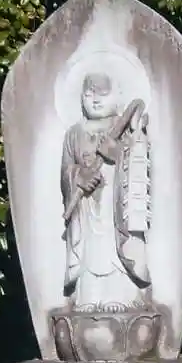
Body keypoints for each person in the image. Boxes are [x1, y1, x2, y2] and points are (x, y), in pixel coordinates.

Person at [61, 72, 151, 311]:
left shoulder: (125, 128)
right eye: (88, 94)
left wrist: (118, 154)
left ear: (117, 95)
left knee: (115, 247)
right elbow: (66, 170)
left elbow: (139, 165)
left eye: (102, 93)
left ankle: (122, 295)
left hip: (114, 202)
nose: (95, 99)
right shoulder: (73, 133)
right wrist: (78, 176)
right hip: (86, 206)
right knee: (89, 249)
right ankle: (88, 296)